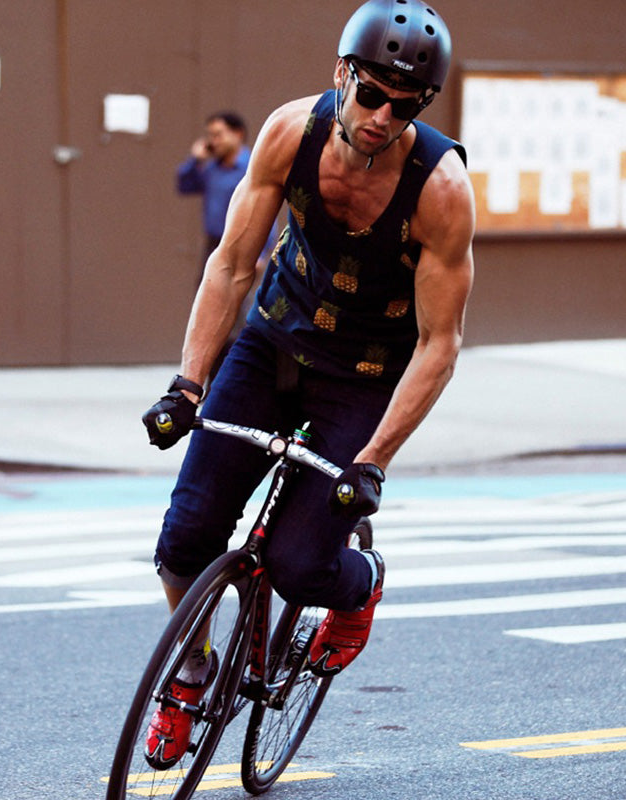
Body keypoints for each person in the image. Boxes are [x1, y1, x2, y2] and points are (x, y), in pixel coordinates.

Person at [141, 0, 475, 769]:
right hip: (272, 342)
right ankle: (191, 673)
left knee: (299, 567)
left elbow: (439, 346)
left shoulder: (441, 189)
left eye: (405, 104)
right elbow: (230, 264)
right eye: (371, 93)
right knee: (185, 538)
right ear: (341, 75)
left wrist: (375, 460)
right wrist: (187, 386)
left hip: (361, 378)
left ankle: (358, 590)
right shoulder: (290, 133)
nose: (383, 116)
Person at [176, 111, 275, 378]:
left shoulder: (252, 166)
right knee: (208, 309)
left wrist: (263, 251)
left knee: (237, 315)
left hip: (244, 242)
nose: (213, 141)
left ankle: (232, 377)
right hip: (214, 245)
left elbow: (266, 210)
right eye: (210, 135)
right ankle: (207, 377)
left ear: (237, 134)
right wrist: (194, 160)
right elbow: (184, 185)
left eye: (218, 134)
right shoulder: (210, 167)